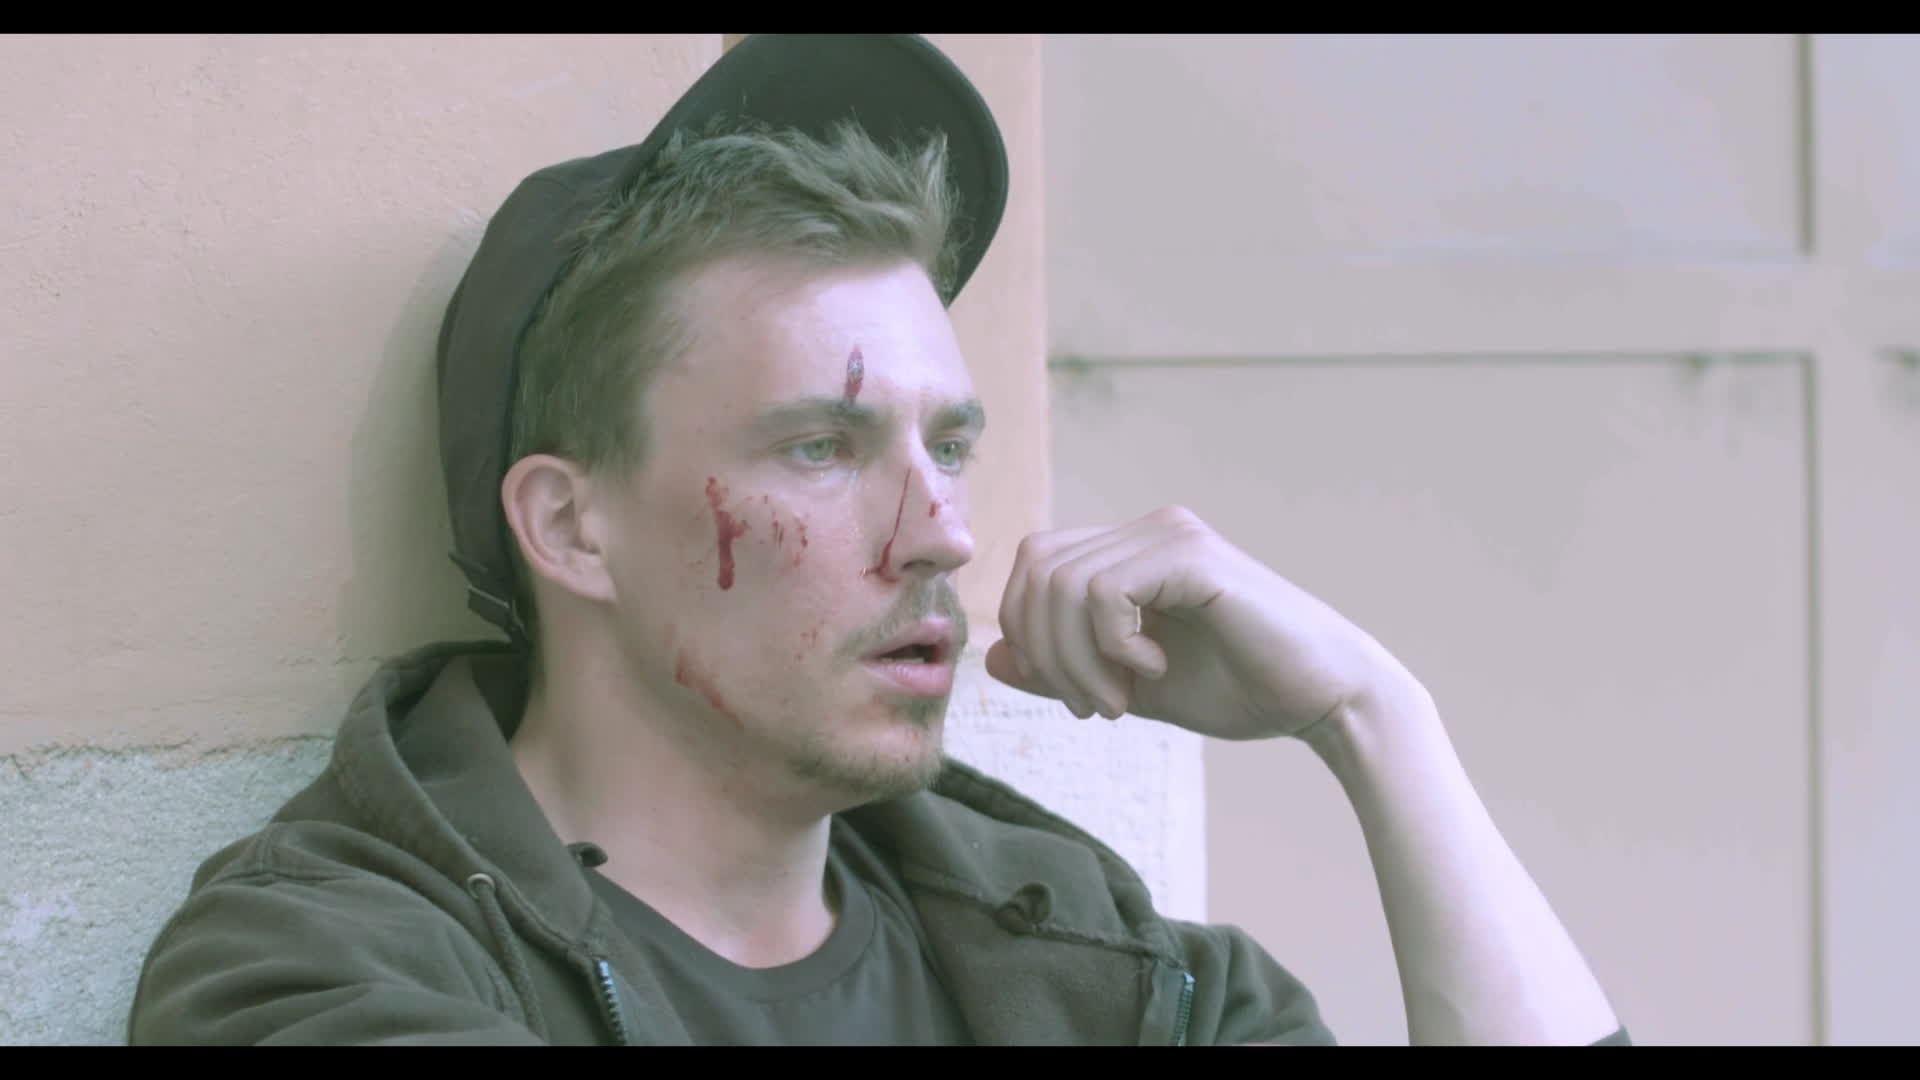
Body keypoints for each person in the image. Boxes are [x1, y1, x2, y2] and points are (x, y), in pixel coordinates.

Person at [125, 34, 1631, 1046]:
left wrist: (1372, 718)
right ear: (574, 527)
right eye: (822, 447)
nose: (943, 533)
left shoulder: (1081, 955)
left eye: (949, 445)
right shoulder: (318, 970)